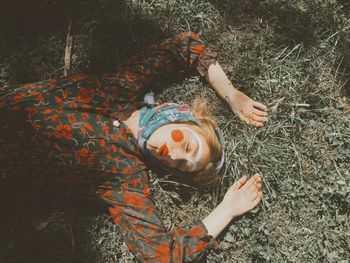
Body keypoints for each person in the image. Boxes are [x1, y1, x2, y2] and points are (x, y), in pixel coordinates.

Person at [0, 32, 267, 262]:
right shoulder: (123, 84)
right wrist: (232, 94)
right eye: (184, 142)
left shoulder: (125, 177)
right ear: (179, 117)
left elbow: (161, 254)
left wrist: (227, 209)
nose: (173, 155)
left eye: (183, 164)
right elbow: (185, 45)